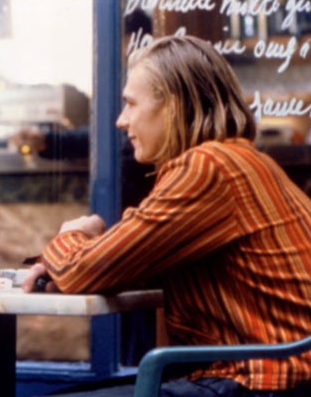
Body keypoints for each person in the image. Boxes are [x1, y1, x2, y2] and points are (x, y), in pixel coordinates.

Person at [23, 35, 311, 396]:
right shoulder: (242, 160)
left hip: (266, 379)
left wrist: (75, 233)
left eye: (131, 104)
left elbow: (82, 270)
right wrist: (69, 265)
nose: (120, 121)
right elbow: (120, 263)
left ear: (173, 106)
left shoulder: (207, 168)